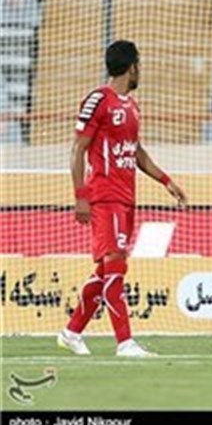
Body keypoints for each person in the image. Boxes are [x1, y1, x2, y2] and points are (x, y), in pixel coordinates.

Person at [58, 40, 187, 357]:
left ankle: (71, 332)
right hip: (104, 196)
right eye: (138, 65)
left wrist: (166, 180)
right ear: (132, 67)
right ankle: (125, 342)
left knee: (106, 271)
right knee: (115, 266)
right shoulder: (98, 100)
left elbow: (136, 152)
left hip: (126, 198)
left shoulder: (132, 106)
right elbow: (78, 149)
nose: (140, 71)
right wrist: (81, 196)